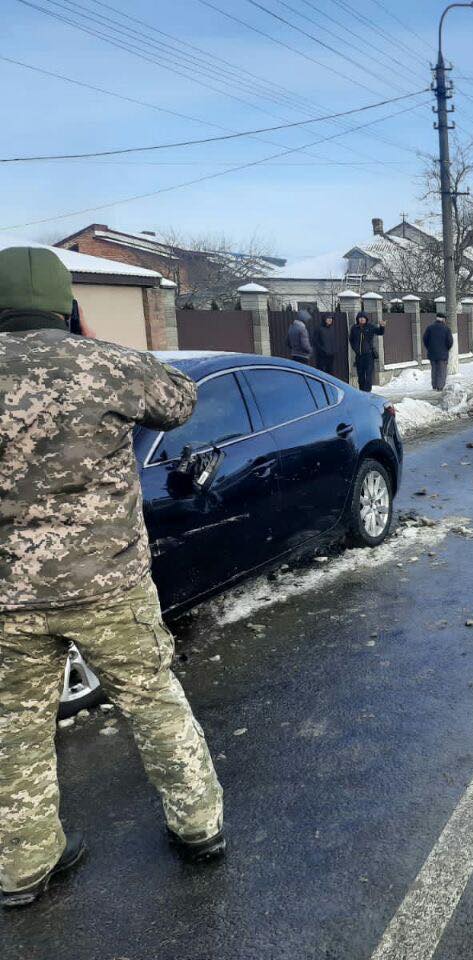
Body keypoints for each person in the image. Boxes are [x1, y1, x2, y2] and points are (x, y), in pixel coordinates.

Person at [0, 246, 225, 909]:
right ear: (65, 306)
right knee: (154, 704)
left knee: (14, 729)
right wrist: (97, 344)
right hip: (110, 587)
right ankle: (199, 828)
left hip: (9, 598)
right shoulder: (105, 367)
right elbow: (180, 400)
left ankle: (22, 864)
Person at [348, 310, 384, 392]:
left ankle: (367, 392)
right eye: (360, 318)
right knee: (360, 376)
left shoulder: (370, 327)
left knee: (368, 375)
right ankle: (362, 391)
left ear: (366, 319)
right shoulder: (354, 328)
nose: (361, 319)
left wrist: (382, 326)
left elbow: (380, 332)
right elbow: (351, 340)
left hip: (368, 356)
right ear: (357, 319)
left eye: (363, 318)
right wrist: (355, 349)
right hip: (359, 356)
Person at [422, 313, 454, 391]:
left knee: (434, 370)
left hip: (432, 353)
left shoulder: (429, 328)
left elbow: (425, 339)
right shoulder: (446, 329)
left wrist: (429, 348)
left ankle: (434, 385)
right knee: (442, 370)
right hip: (443, 354)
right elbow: (450, 341)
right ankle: (440, 387)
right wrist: (447, 348)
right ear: (443, 319)